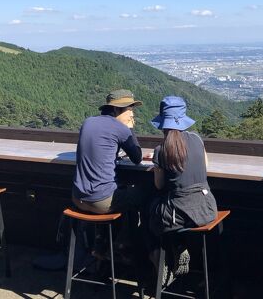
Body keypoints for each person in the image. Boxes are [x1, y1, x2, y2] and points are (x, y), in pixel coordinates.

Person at [146, 96, 217, 283]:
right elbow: (205, 167)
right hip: (207, 209)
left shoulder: (161, 150)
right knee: (169, 212)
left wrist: (156, 165)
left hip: (178, 215)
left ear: (163, 123)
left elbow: (159, 185)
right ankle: (179, 248)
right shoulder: (197, 139)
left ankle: (160, 260)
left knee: (152, 214)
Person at [72, 89, 144, 214]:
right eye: (130, 110)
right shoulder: (121, 129)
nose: (132, 115)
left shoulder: (88, 122)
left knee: (121, 186)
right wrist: (130, 129)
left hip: (78, 198)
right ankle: (126, 233)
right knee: (144, 192)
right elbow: (137, 158)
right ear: (116, 109)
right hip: (101, 202)